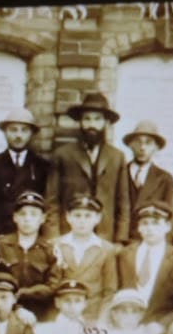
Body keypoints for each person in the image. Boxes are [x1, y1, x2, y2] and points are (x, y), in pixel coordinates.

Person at [43, 92, 131, 244]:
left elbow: (123, 202)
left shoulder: (117, 157)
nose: (92, 125)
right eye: (87, 119)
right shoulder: (63, 155)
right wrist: (53, 238)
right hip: (69, 235)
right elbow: (51, 201)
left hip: (104, 237)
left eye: (97, 119)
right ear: (80, 122)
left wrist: (120, 240)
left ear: (105, 123)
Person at [117, 201, 173, 324]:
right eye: (145, 223)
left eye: (156, 223)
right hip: (125, 324)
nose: (150, 229)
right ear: (138, 227)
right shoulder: (124, 254)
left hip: (161, 328)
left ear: (168, 226)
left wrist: (161, 325)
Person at [0, 108, 50, 237]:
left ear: (32, 134)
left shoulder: (43, 167)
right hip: (1, 236)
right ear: (5, 132)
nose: (19, 135)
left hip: (33, 235)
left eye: (24, 130)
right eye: (13, 130)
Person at [0, 191, 61, 320]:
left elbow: (53, 286)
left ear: (42, 219)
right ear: (15, 217)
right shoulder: (1, 245)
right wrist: (17, 308)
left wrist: (25, 292)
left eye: (33, 214)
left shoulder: (50, 249)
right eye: (22, 214)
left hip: (41, 313)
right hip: (6, 312)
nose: (27, 219)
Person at [51, 194, 117, 321]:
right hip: (61, 315)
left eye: (88, 216)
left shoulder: (106, 249)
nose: (82, 221)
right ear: (68, 217)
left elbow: (109, 290)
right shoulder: (56, 245)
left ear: (97, 218)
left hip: (92, 316)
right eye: (77, 215)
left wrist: (101, 321)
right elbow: (51, 287)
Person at [121, 120, 173, 237]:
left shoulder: (165, 178)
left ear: (156, 147)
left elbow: (169, 216)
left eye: (148, 143)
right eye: (138, 142)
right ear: (130, 145)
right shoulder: (119, 173)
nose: (142, 147)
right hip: (121, 241)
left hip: (150, 239)